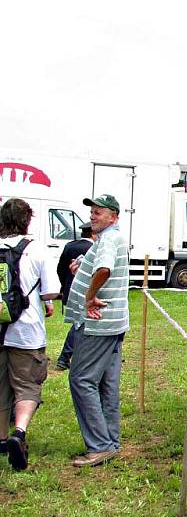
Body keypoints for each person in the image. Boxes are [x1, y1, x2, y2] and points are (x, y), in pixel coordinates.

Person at [66, 195, 129, 468]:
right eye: (92, 212)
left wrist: (89, 296)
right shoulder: (111, 239)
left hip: (98, 323)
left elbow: (104, 268)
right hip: (111, 323)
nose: (93, 216)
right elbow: (100, 267)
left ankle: (100, 446)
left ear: (113, 217)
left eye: (99, 212)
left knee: (81, 380)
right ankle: (110, 441)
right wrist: (83, 270)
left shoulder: (108, 239)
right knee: (106, 383)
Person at [0, 198, 60, 471]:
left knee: (0, 388)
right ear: (27, 221)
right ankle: (19, 433)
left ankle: (1, 440)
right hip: (26, 331)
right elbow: (50, 291)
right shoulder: (37, 250)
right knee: (27, 385)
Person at [55, 222, 94, 370]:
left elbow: (60, 269)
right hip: (86, 291)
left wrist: (65, 286)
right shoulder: (93, 248)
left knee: (80, 323)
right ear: (93, 233)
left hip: (70, 290)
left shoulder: (69, 246)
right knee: (79, 324)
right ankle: (65, 357)